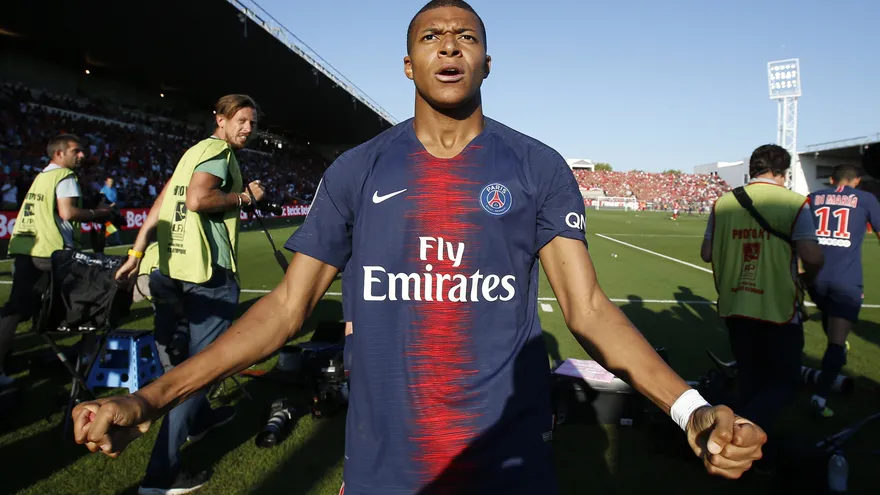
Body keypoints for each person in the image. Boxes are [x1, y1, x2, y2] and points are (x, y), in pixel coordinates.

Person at [73, 3, 766, 494]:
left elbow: (588, 310)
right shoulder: (358, 170)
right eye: (433, 35)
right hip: (386, 473)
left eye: (466, 35)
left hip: (509, 469)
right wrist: (149, 399)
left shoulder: (536, 166)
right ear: (408, 64)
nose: (451, 45)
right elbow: (286, 308)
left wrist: (689, 408)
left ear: (488, 61)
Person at [106, 94, 266, 494]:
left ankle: (199, 420)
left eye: (253, 123)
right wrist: (245, 198)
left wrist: (137, 250)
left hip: (170, 270)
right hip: (204, 275)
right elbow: (198, 199)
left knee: (181, 365)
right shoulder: (219, 154)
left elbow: (163, 202)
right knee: (200, 370)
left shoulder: (193, 151)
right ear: (221, 120)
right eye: (241, 120)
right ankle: (161, 477)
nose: (248, 128)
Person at [700, 143, 824, 467]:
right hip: (777, 308)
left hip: (736, 304)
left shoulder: (722, 203)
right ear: (783, 173)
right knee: (783, 383)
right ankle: (736, 444)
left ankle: (732, 439)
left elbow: (707, 253)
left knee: (751, 379)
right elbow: (811, 256)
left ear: (752, 169)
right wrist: (812, 272)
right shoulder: (794, 203)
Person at [0, 134, 111, 388]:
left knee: (14, 310)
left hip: (26, 247)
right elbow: (68, 212)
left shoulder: (42, 177)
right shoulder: (65, 176)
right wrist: (99, 213)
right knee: (97, 295)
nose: (82, 155)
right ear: (59, 154)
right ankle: (88, 359)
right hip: (52, 251)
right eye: (76, 150)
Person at [805, 163, 880, 417]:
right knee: (837, 340)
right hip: (846, 280)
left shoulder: (813, 197)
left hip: (814, 278)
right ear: (857, 181)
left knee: (830, 317)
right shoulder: (866, 198)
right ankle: (821, 397)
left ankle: (835, 361)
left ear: (830, 178)